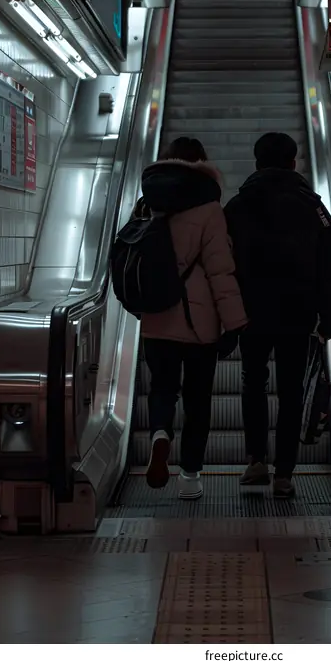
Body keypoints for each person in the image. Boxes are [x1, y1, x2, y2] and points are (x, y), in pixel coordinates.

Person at [224, 132, 331, 498]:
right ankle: (284, 475)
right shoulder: (314, 208)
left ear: (257, 162)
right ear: (293, 163)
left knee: (253, 383)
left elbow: (221, 265)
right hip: (298, 311)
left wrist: (225, 316)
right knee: (291, 391)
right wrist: (330, 315)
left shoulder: (237, 206)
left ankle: (256, 462)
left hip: (251, 313)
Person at [138, 137, 247, 500]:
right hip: (201, 326)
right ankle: (190, 477)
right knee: (198, 400)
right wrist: (234, 325)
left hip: (156, 318)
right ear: (200, 162)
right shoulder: (209, 207)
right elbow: (221, 273)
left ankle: (159, 434)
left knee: (162, 388)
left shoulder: (146, 203)